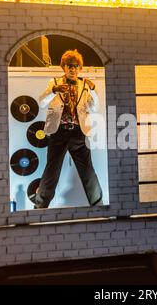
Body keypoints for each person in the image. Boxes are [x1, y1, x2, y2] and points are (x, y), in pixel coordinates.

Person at [30, 49, 103, 209]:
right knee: (51, 171)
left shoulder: (85, 85)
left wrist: (93, 90)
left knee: (88, 172)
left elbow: (95, 107)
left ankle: (98, 206)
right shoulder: (54, 82)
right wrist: (54, 91)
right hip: (58, 132)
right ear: (63, 67)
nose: (72, 69)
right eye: (69, 65)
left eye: (76, 66)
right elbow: (42, 102)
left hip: (79, 133)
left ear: (80, 68)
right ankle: (40, 207)